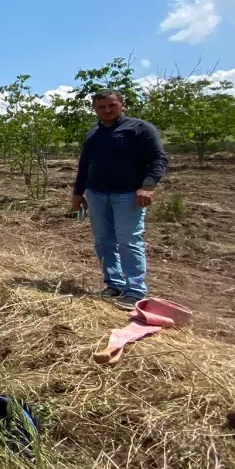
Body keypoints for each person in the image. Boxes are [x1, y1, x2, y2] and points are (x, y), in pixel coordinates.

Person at [71, 89, 168, 310]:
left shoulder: (140, 129)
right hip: (97, 194)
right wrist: (78, 193)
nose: (107, 110)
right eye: (101, 107)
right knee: (103, 241)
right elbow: (84, 165)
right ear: (94, 109)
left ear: (122, 106)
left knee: (128, 241)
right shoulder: (92, 135)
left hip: (128, 195)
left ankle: (135, 291)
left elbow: (159, 159)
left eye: (112, 105)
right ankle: (114, 284)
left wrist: (148, 186)